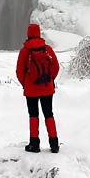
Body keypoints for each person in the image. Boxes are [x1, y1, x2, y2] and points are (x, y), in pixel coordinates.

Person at [16, 22, 60, 153]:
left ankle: (34, 144)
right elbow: (56, 67)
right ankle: (54, 144)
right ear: (39, 33)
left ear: (28, 34)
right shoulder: (47, 49)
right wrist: (49, 80)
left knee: (33, 115)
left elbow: (19, 71)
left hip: (31, 90)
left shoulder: (25, 51)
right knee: (49, 114)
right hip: (47, 88)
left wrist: (26, 84)